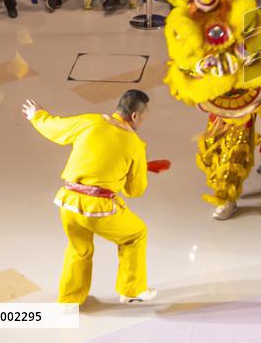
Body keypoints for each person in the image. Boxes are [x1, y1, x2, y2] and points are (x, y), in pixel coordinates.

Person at [21, 90, 161, 305]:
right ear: (135, 116)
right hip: (98, 209)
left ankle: (70, 301)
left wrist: (36, 114)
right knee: (136, 234)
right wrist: (137, 168)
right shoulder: (134, 145)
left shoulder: (89, 121)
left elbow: (54, 128)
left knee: (79, 249)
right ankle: (132, 289)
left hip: (68, 202)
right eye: (143, 115)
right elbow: (135, 190)